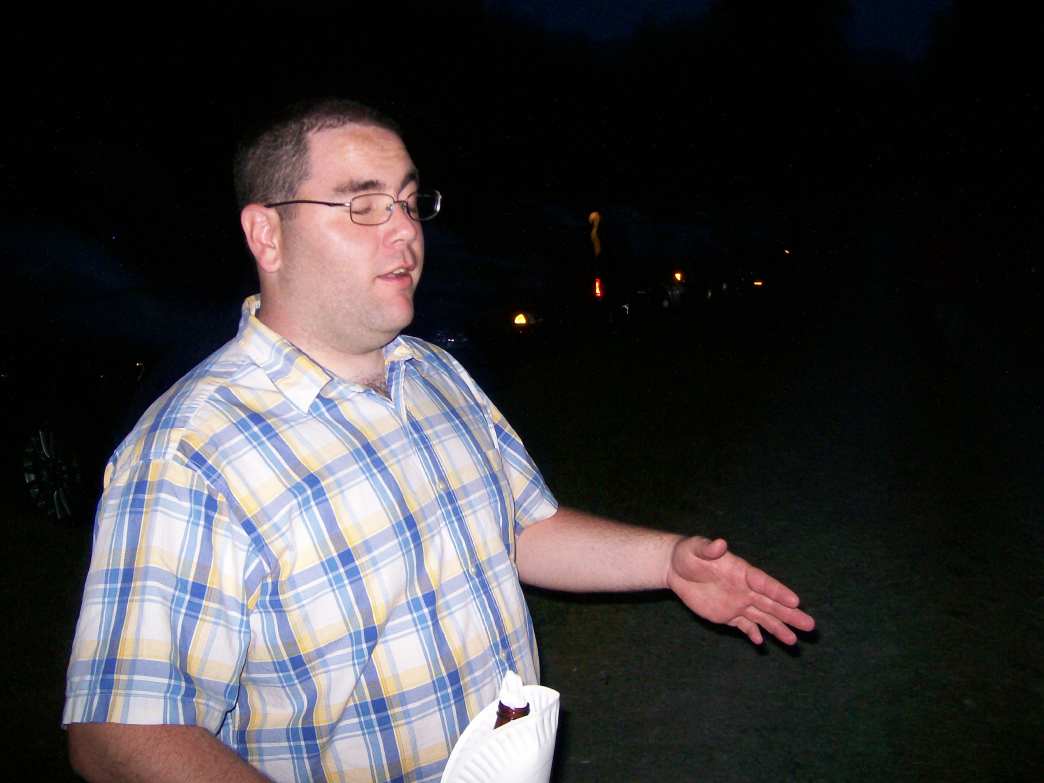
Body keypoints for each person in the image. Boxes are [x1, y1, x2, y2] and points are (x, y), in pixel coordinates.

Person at [64, 98, 815, 783]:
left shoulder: (433, 372)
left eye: (408, 201)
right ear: (268, 234)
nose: (403, 229)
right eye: (363, 205)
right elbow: (118, 734)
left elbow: (521, 529)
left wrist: (667, 560)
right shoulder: (191, 452)